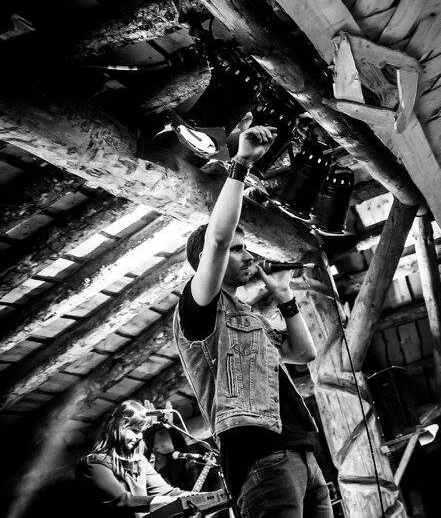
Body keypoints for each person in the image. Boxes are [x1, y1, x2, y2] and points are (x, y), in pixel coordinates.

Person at [173, 125, 332, 518]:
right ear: (208, 264)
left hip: (301, 454)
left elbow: (303, 352)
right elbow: (217, 239)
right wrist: (241, 163)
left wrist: (285, 297)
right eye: (240, 250)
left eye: (248, 250)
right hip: (260, 459)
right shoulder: (200, 307)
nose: (248, 257)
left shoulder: (249, 318)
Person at [76, 400, 188, 516]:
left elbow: (167, 492)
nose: (139, 436)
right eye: (134, 430)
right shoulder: (93, 464)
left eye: (141, 432)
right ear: (119, 428)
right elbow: (124, 501)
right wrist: (172, 501)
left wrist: (201, 497)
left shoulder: (140, 462)